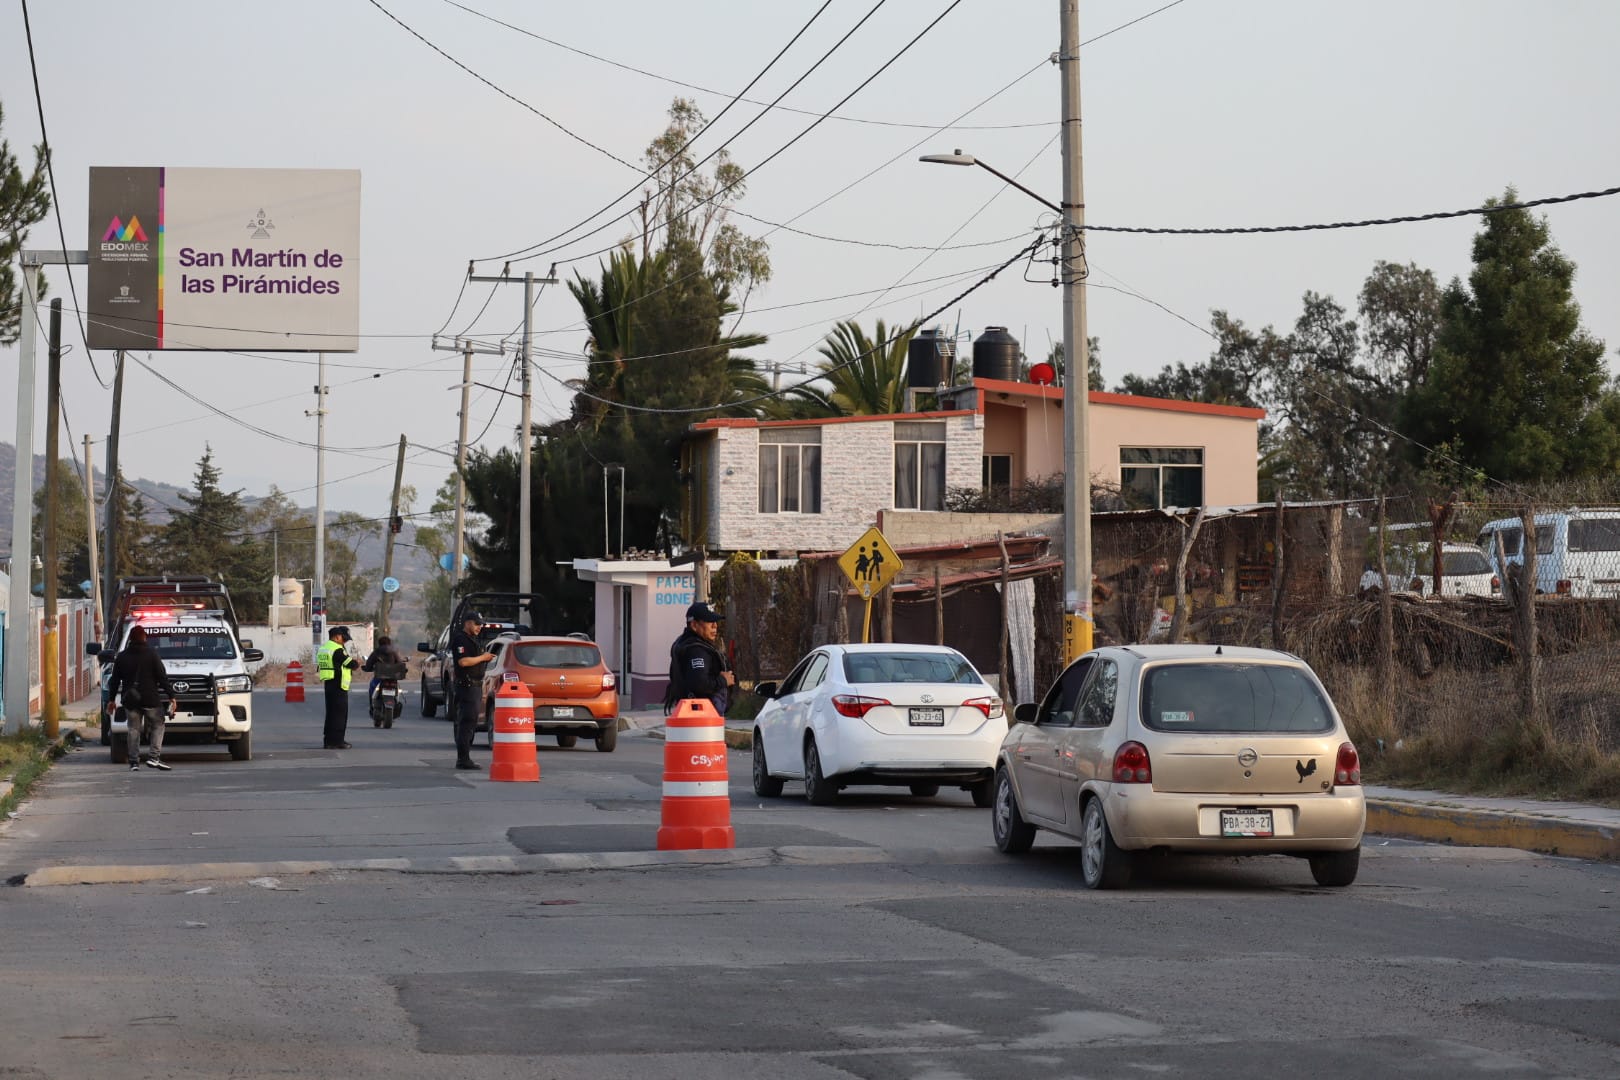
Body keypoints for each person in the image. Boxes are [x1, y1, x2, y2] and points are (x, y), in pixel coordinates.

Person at [105, 625, 177, 771]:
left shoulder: (122, 656)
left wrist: (111, 700)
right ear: (144, 637)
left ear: (130, 638)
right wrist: (172, 696)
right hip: (151, 699)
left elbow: (114, 681)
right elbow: (162, 677)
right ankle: (153, 757)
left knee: (133, 729)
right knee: (158, 725)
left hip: (131, 700)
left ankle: (134, 762)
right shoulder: (152, 654)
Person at [664, 601, 734, 716]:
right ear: (694, 625)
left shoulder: (683, 643)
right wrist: (724, 680)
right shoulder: (697, 650)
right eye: (709, 621)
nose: (715, 625)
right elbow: (700, 684)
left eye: (715, 621)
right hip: (701, 716)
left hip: (690, 713)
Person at [448, 611, 495, 770]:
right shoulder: (461, 639)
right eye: (476, 624)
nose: (479, 627)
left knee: (471, 722)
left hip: (474, 686)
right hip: (466, 686)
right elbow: (463, 661)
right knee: (466, 723)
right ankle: (463, 759)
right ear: (467, 623)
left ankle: (465, 758)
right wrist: (483, 658)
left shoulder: (472, 639)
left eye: (481, 624)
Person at [316, 625, 361, 749]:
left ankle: (328, 741)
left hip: (329, 683)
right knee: (340, 714)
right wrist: (356, 663)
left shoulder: (324, 648)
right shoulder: (337, 649)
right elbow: (350, 663)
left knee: (331, 713)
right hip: (339, 685)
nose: (345, 641)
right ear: (336, 637)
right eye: (344, 639)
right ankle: (337, 741)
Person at [362, 635, 404, 713]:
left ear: (379, 643)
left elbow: (369, 663)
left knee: (372, 687)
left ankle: (372, 706)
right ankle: (396, 703)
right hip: (392, 678)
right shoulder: (394, 652)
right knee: (397, 689)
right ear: (389, 643)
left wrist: (367, 668)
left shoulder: (377, 652)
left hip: (379, 677)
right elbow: (400, 663)